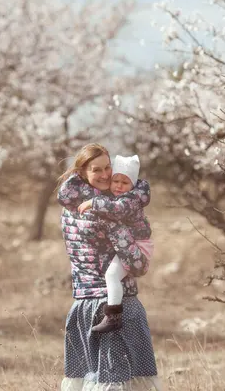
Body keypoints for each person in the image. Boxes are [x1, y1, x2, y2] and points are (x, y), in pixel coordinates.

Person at [57, 143, 162, 391]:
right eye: (97, 170)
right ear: (83, 172)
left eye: (108, 168)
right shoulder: (104, 208)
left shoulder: (70, 206)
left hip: (82, 304)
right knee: (115, 381)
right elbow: (137, 264)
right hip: (113, 307)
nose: (105, 175)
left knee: (87, 377)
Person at [77, 154, 155, 333]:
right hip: (128, 244)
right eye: (116, 181)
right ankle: (113, 314)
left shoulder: (130, 200)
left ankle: (113, 316)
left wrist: (94, 203)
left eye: (125, 182)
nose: (119, 186)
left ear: (133, 185)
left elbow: (118, 210)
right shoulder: (116, 197)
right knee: (111, 274)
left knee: (111, 275)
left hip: (138, 246)